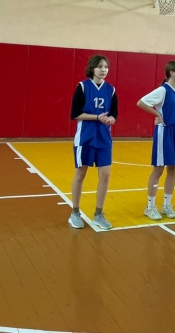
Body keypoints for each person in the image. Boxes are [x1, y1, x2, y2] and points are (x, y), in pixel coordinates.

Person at [68, 55, 118, 230]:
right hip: (85, 138)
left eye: (106, 67)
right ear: (92, 68)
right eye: (100, 67)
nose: (103, 70)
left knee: (105, 175)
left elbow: (114, 113)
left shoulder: (111, 90)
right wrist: (97, 117)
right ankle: (75, 213)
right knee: (80, 174)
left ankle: (98, 214)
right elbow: (75, 114)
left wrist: (111, 119)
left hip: (104, 139)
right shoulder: (82, 87)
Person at [137, 60, 175, 220]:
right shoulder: (162, 90)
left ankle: (166, 205)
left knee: (173, 168)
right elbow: (141, 102)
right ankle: (150, 207)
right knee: (158, 169)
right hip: (165, 131)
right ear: (172, 73)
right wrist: (157, 114)